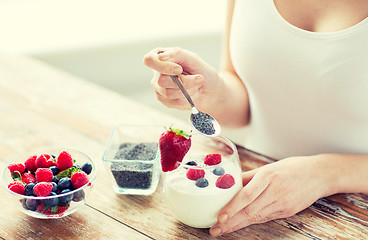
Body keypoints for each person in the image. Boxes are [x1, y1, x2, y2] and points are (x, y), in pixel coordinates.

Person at [143, 0, 368, 237]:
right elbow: (247, 104)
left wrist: (324, 174)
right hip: (253, 192)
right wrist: (211, 91)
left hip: (352, 215)